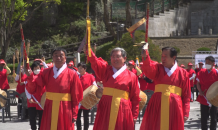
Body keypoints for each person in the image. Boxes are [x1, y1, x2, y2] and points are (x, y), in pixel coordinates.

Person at [25, 48, 83, 130]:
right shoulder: (45, 72)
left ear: (65, 58)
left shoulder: (72, 74)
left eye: (61, 56)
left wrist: (74, 113)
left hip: (65, 107)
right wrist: (30, 77)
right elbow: (33, 88)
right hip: (49, 107)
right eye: (56, 56)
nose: (58, 58)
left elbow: (76, 95)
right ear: (52, 58)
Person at [87, 47, 140, 130]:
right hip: (105, 107)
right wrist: (88, 51)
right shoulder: (105, 70)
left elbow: (135, 98)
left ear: (124, 58)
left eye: (118, 56)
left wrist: (134, 115)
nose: (115, 59)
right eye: (113, 56)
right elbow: (95, 61)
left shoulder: (132, 76)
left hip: (123, 108)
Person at [140, 47, 191, 130]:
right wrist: (146, 57)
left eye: (165, 56)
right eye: (162, 56)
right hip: (157, 104)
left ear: (173, 57)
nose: (163, 59)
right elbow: (149, 70)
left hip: (175, 106)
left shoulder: (183, 73)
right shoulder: (157, 68)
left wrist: (186, 112)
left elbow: (186, 95)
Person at [196, 56, 217, 130]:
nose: (207, 64)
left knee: (213, 117)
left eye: (209, 63)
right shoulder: (201, 72)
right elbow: (198, 83)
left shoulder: (216, 72)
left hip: (214, 98)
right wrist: (200, 91)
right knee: (204, 117)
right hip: (203, 97)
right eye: (206, 63)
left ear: (213, 63)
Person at [25, 61, 46, 130]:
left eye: (38, 68)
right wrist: (29, 97)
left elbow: (49, 71)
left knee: (41, 117)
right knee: (32, 117)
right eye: (35, 68)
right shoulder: (29, 77)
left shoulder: (42, 76)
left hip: (41, 100)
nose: (37, 70)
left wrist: (44, 64)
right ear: (32, 69)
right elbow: (27, 88)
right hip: (32, 100)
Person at [76, 63, 96, 130]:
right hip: (78, 100)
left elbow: (94, 87)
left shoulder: (90, 77)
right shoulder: (76, 76)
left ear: (85, 69)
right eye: (78, 68)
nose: (79, 69)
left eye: (81, 68)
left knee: (86, 117)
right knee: (77, 117)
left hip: (86, 100)